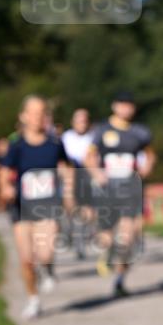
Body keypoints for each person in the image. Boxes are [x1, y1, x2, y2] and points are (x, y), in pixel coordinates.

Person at [0, 96, 72, 318]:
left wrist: (69, 189)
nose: (37, 117)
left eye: (41, 113)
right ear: (23, 116)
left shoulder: (55, 144)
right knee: (27, 260)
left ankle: (48, 268)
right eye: (33, 113)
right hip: (22, 207)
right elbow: (4, 172)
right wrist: (6, 187)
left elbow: (65, 166)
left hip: (48, 206)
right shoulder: (16, 146)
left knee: (45, 253)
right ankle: (33, 299)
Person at [85, 92, 155, 297]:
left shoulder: (140, 132)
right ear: (114, 106)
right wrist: (96, 173)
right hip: (107, 190)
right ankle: (107, 253)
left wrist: (146, 168)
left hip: (130, 189)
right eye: (122, 104)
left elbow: (150, 154)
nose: (126, 109)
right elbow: (89, 157)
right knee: (106, 236)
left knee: (129, 238)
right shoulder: (102, 130)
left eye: (130, 105)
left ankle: (119, 280)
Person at [62, 108, 96, 258]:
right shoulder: (66, 137)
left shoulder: (93, 137)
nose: (82, 124)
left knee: (88, 210)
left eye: (84, 121)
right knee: (71, 207)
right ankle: (72, 232)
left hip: (87, 174)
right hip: (70, 174)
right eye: (79, 121)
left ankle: (82, 237)